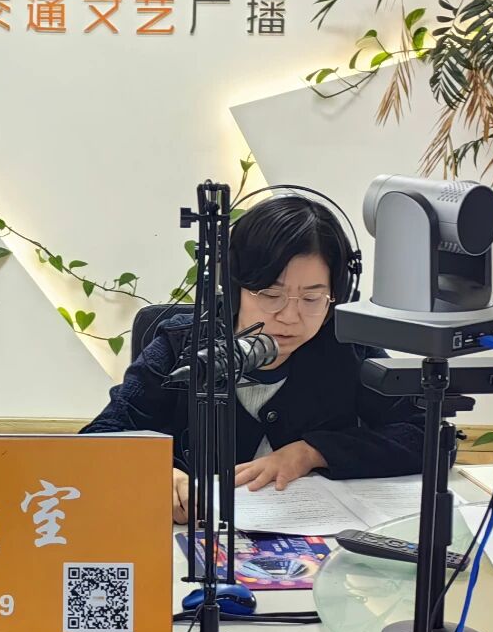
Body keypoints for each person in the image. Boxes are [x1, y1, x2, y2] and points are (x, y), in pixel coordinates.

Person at [81, 194, 425, 524]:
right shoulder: (181, 346)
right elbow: (97, 440)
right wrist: (157, 472)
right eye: (271, 295)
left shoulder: (346, 348)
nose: (289, 317)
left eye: (312, 299)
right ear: (234, 288)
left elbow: (424, 435)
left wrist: (312, 452)